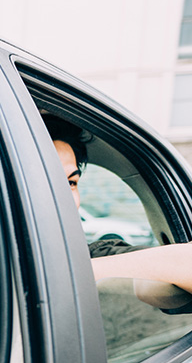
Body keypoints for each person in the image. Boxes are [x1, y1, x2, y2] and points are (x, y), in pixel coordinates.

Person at [44, 114, 192, 306]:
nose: (64, 197)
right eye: (47, 179)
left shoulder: (91, 254)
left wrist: (73, 271)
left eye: (71, 182)